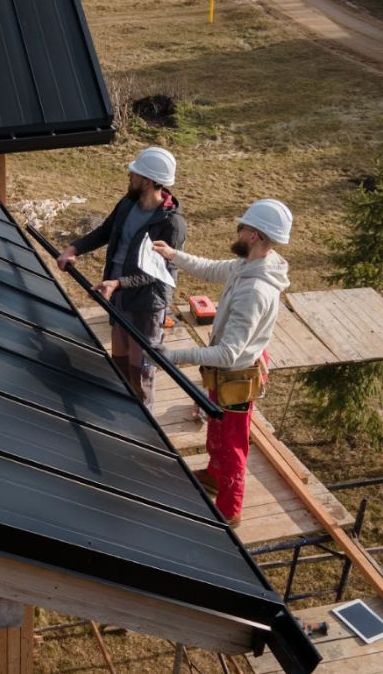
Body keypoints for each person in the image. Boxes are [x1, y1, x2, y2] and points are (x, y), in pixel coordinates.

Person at [151, 199, 292, 526]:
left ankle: (230, 511)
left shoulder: (255, 290)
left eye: (242, 227)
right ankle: (215, 476)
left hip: (237, 375)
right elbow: (214, 268)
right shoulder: (251, 264)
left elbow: (229, 353)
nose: (238, 230)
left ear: (254, 235)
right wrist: (175, 256)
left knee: (232, 445)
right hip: (228, 373)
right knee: (217, 429)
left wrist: (174, 355)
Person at [56, 147, 186, 410]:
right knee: (120, 361)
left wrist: (118, 283)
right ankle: (122, 412)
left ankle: (145, 425)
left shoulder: (171, 224)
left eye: (134, 173)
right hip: (118, 296)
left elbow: (155, 273)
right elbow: (105, 232)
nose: (129, 175)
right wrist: (73, 249)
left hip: (146, 304)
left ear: (147, 181)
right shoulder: (127, 205)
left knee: (142, 370)